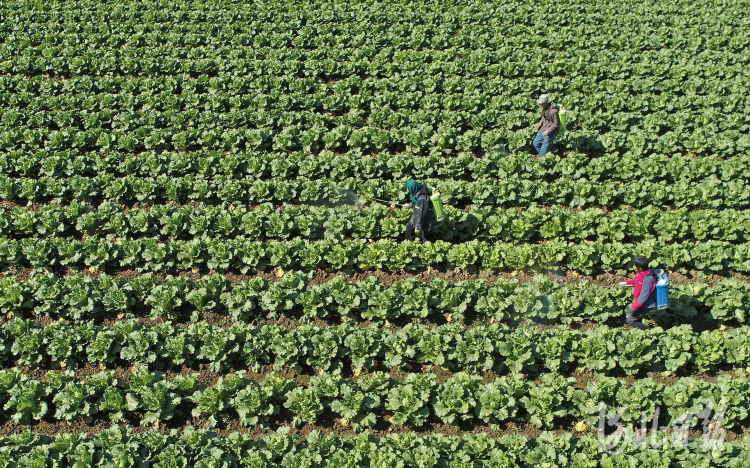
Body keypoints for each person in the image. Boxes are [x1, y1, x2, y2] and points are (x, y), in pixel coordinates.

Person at [617, 255, 657, 330]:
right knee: (637, 319)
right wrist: (626, 283)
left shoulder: (648, 279)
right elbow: (637, 281)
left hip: (645, 304)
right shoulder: (641, 273)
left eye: (634, 265)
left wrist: (633, 307)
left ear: (640, 268)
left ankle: (649, 331)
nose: (633, 266)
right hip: (641, 303)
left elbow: (644, 296)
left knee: (630, 320)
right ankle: (642, 329)